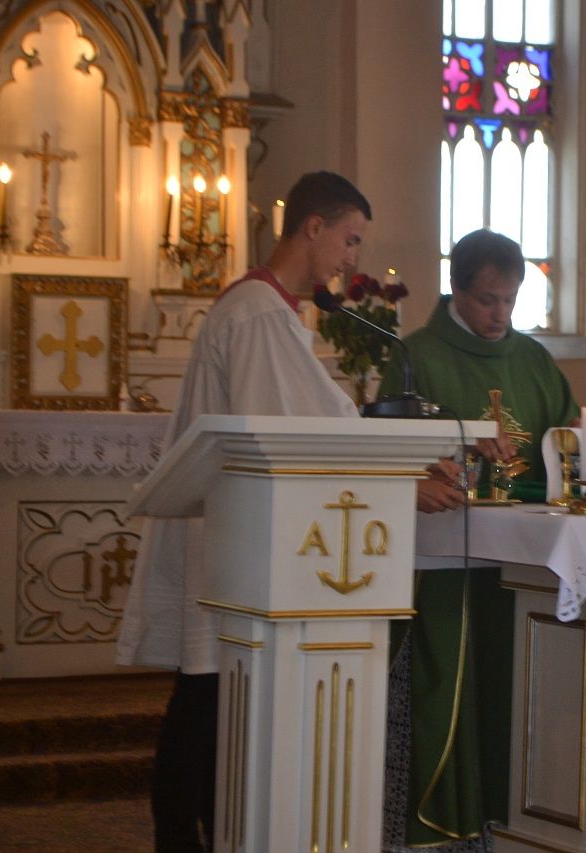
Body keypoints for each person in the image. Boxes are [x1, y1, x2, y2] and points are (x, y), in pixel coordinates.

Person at [116, 171, 370, 852]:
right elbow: (294, 424)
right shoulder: (259, 312)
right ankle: (182, 838)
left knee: (206, 703)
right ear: (313, 227)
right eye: (349, 239)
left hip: (235, 532)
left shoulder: (267, 308)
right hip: (231, 537)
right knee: (202, 705)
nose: (351, 259)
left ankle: (197, 834)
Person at [376, 228, 579, 849]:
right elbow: (388, 458)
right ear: (456, 290)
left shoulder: (533, 359)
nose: (500, 315)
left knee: (514, 690)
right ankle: (441, 828)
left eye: (510, 300)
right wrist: (452, 455)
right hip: (445, 558)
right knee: (448, 694)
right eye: (488, 300)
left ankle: (513, 825)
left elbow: (568, 439)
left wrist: (563, 448)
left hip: (524, 564)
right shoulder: (416, 356)